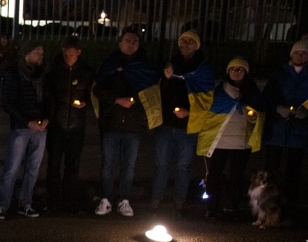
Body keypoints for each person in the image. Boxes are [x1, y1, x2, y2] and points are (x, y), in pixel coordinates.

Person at [189, 58, 263, 219]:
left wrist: (253, 117)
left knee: (236, 177)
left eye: (240, 69)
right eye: (233, 69)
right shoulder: (218, 91)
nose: (236, 73)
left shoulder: (252, 91)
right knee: (214, 175)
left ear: (246, 72)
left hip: (242, 142)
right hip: (220, 141)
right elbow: (207, 112)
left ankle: (231, 208)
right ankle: (212, 208)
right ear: (228, 72)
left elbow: (261, 112)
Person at [93, 28, 151, 217]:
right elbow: (98, 90)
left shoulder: (145, 66)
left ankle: (124, 200)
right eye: (127, 40)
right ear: (120, 43)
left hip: (134, 125)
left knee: (129, 166)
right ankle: (105, 199)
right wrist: (117, 100)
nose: (131, 43)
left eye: (135, 40)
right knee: (108, 164)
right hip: (112, 123)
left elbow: (152, 93)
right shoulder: (110, 64)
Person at [151, 30, 207, 216]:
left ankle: (179, 201)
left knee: (183, 165)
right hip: (166, 123)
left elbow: (206, 97)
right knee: (161, 163)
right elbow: (160, 92)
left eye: (190, 42)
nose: (186, 45)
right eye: (183, 41)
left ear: (197, 45)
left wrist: (190, 112)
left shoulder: (203, 68)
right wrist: (166, 78)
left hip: (187, 125)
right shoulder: (171, 63)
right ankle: (156, 198)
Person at [0, 42, 49, 219]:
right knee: (12, 168)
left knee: (33, 168)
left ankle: (26, 203)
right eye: (37, 51)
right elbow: (7, 102)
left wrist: (47, 118)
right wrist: (26, 121)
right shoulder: (13, 74)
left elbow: (50, 99)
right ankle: (1, 205)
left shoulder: (43, 75)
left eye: (42, 52)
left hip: (40, 128)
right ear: (26, 54)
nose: (40, 55)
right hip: (21, 128)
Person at [43, 36, 93, 212]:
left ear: (78, 53)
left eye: (71, 54)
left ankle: (68, 200)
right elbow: (48, 96)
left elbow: (92, 94)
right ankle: (53, 199)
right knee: (54, 163)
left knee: (73, 164)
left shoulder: (86, 72)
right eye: (65, 54)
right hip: (57, 123)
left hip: (77, 124)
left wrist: (85, 101)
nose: (67, 57)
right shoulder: (54, 71)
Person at [261, 38, 308, 207]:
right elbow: (267, 97)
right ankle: (267, 206)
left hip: (300, 132)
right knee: (271, 169)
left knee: (293, 171)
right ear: (291, 54)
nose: (300, 56)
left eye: (304, 53)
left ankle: (288, 208)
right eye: (297, 52)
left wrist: (305, 113)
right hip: (277, 129)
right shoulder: (279, 75)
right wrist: (278, 108)